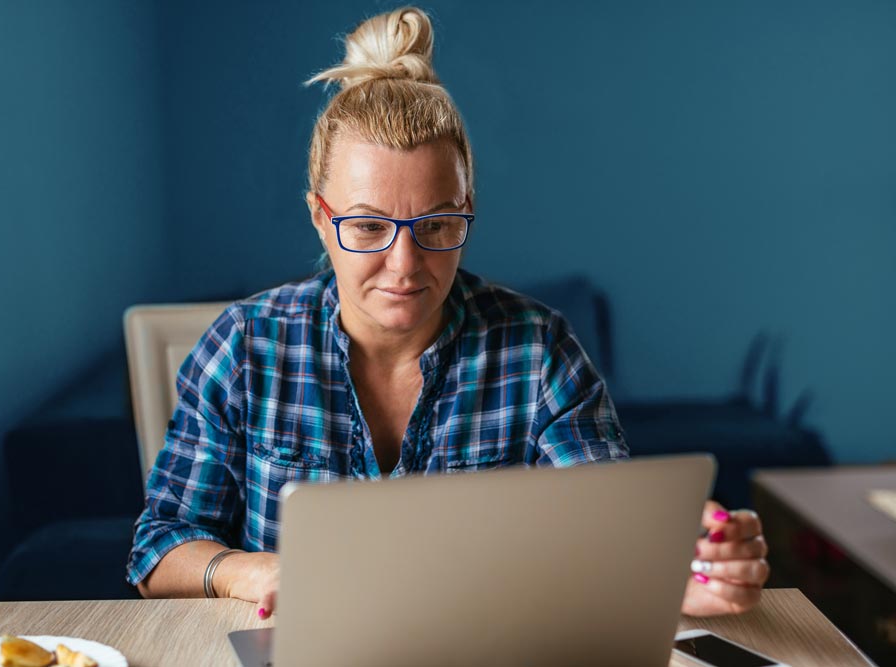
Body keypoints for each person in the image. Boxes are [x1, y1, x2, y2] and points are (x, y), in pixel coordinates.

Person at [128, 7, 769, 621]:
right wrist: (254, 571)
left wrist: (686, 576)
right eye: (369, 226)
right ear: (321, 218)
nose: (405, 265)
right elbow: (157, 549)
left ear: (469, 215)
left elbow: (611, 537)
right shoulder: (244, 346)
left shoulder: (538, 349)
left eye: (436, 225)